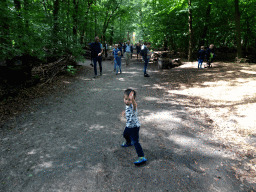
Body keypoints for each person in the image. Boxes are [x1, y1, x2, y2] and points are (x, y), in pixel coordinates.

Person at [121, 89, 147, 165]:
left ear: (133, 100)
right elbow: (128, 111)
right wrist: (125, 113)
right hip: (129, 125)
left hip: (134, 127)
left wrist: (132, 100)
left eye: (129, 100)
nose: (127, 101)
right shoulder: (127, 105)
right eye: (125, 99)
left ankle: (141, 157)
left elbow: (134, 105)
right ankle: (129, 142)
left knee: (136, 142)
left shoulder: (133, 105)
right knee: (125, 134)